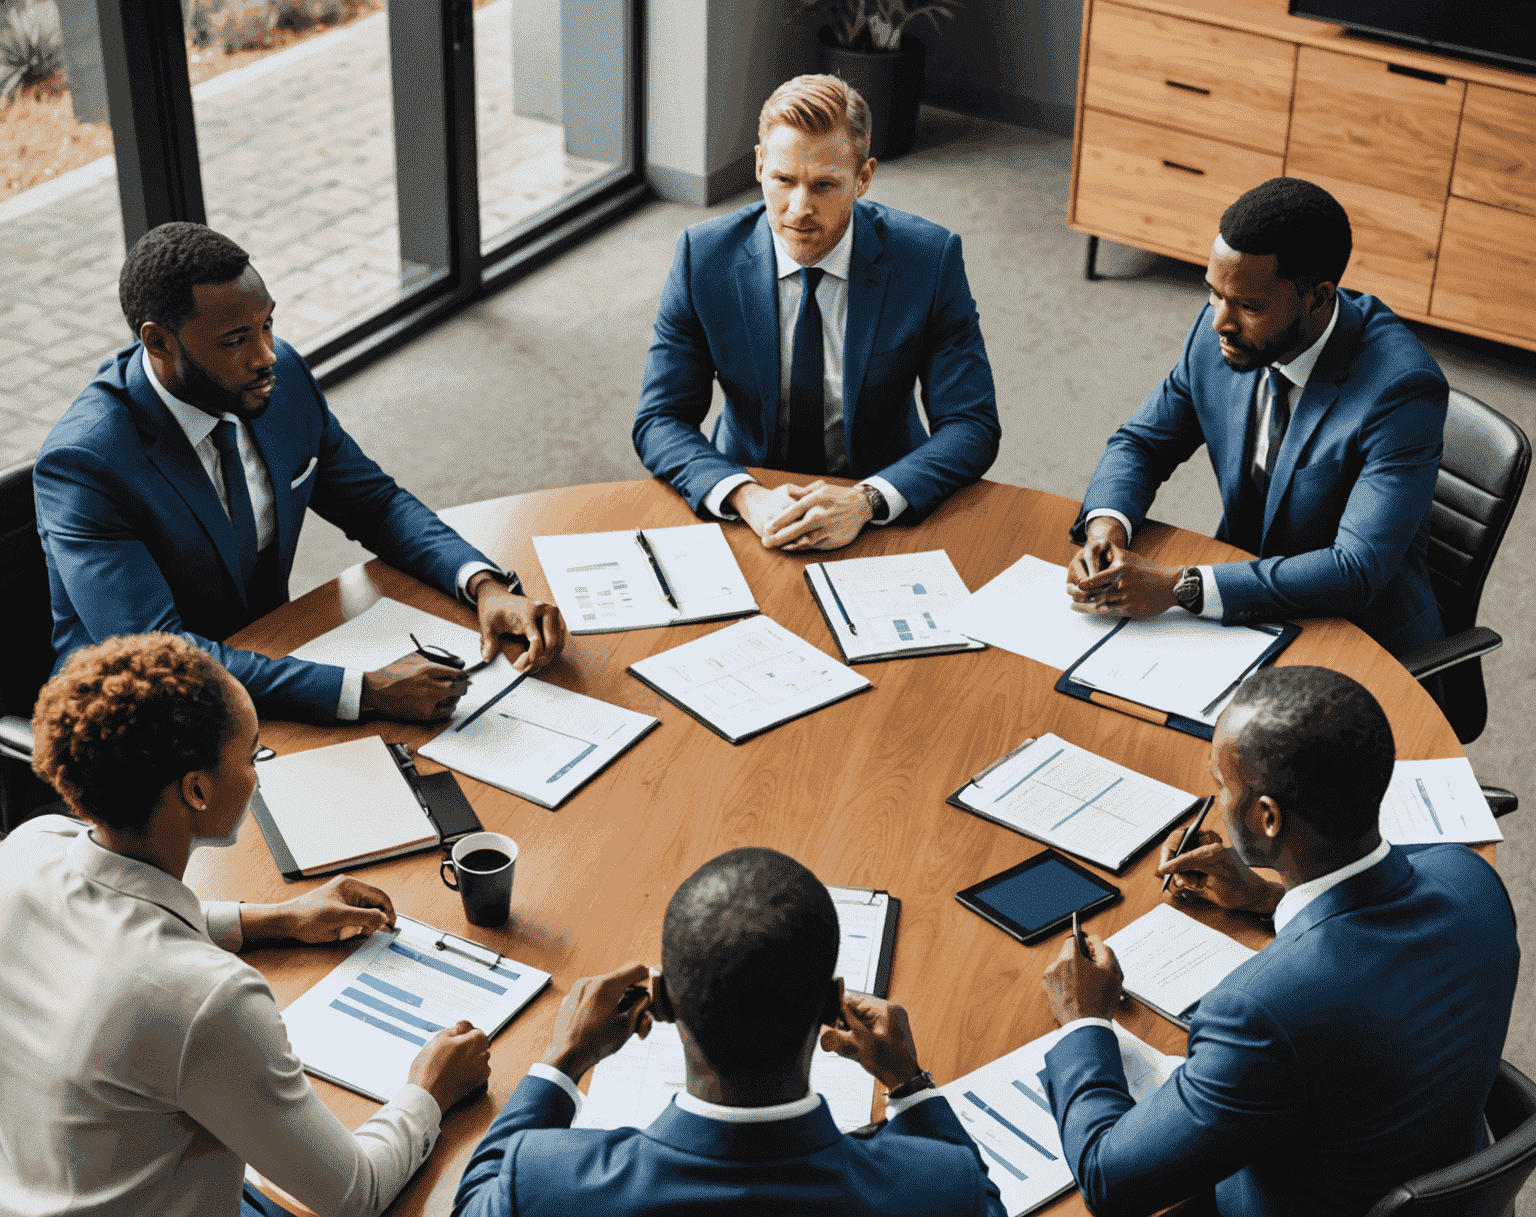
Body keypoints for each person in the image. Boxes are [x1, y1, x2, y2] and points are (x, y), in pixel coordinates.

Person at [0, 633, 494, 1217]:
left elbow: (116, 907)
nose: (261, 773)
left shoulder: (23, 853)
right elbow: (352, 1193)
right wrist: (429, 1087)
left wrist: (269, 918)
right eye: (250, 755)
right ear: (195, 789)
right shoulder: (201, 1002)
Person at [1028, 665, 1517, 1217]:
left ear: (1266, 818)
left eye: (1220, 787)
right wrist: (1273, 892)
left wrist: (1084, 1026)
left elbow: (1109, 1175)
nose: (1210, 803)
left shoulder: (1266, 1010)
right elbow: (1374, 963)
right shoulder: (1469, 882)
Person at [451, 846, 1014, 1217]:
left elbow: (476, 1200)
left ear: (664, 1001)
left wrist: (564, 1060)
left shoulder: (547, 1190)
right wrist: (912, 1087)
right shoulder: (936, 1197)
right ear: (832, 1002)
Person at [35, 222, 568, 725]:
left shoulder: (277, 377)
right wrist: (365, 691)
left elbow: (374, 503)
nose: (266, 354)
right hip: (142, 716)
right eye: (235, 340)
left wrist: (485, 586)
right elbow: (161, 654)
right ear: (158, 343)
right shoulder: (86, 464)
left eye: (267, 324)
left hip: (270, 654)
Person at [1066, 179, 1449, 660]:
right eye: (1214, 293)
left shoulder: (1402, 390)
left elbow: (1355, 569)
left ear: (1318, 297)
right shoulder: (1222, 334)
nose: (1220, 322)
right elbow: (1141, 444)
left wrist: (1181, 587)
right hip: (1240, 600)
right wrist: (1106, 529)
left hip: (1353, 636)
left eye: (1248, 306)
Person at [632, 74, 1000, 554]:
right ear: (760, 164)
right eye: (784, 180)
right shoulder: (703, 258)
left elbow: (972, 424)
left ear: (863, 178)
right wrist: (746, 496)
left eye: (824, 185)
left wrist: (867, 499)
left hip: (882, 497)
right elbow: (660, 418)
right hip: (750, 497)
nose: (799, 209)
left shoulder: (929, 260)